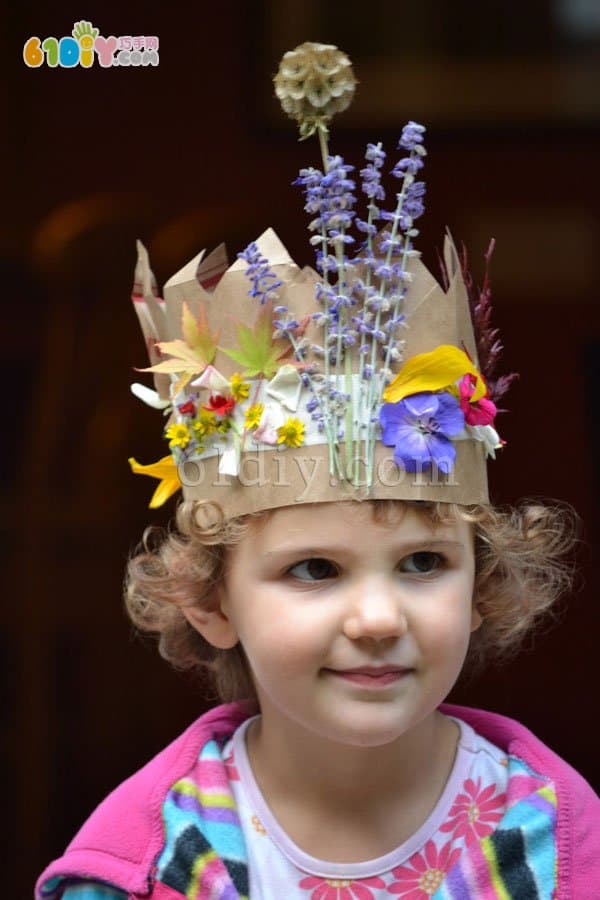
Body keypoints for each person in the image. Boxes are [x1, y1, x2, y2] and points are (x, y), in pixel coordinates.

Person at [36, 42, 599, 900]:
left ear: (482, 585)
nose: (378, 617)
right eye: (313, 569)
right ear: (211, 602)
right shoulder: (148, 859)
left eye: (422, 562)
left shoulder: (554, 835)